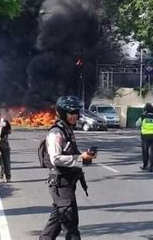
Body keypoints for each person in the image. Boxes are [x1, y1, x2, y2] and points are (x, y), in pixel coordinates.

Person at [39, 96, 96, 240]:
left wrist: (86, 157)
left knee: (56, 223)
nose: (74, 116)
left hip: (67, 184)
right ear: (62, 113)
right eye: (71, 112)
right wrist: (80, 158)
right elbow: (56, 158)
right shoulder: (56, 133)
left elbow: (72, 153)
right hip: (60, 185)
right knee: (70, 226)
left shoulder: (67, 130)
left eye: (76, 112)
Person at [135, 103, 153, 172]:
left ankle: (145, 166)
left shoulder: (143, 117)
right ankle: (151, 167)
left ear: (145, 110)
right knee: (152, 152)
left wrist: (143, 115)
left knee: (145, 152)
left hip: (145, 136)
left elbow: (137, 124)